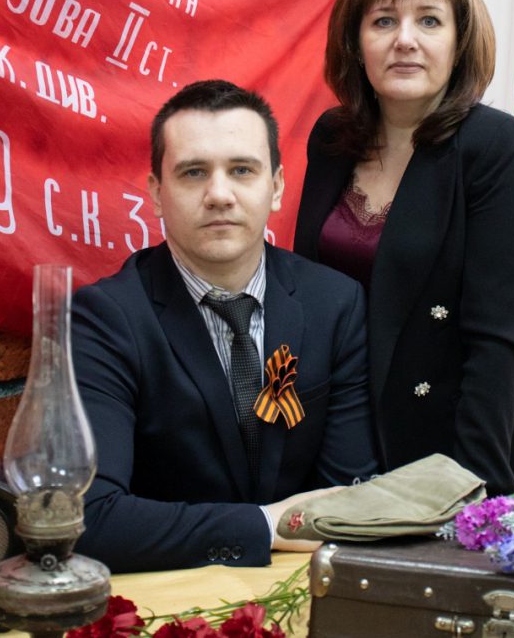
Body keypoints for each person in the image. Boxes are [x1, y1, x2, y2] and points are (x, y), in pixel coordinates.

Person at [72, 79, 377, 573]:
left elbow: (346, 503)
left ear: (276, 187)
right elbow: (91, 519)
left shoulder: (335, 305)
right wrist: (264, 525)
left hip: (304, 587)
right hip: (170, 593)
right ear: (156, 193)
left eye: (241, 170)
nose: (219, 195)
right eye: (193, 172)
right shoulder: (106, 319)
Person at [294, 0, 514, 497]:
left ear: (459, 42)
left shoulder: (496, 146)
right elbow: (305, 295)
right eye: (383, 20)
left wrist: (467, 488)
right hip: (335, 434)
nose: (404, 39)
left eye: (429, 20)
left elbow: (496, 344)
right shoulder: (332, 136)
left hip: (445, 442)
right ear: (356, 42)